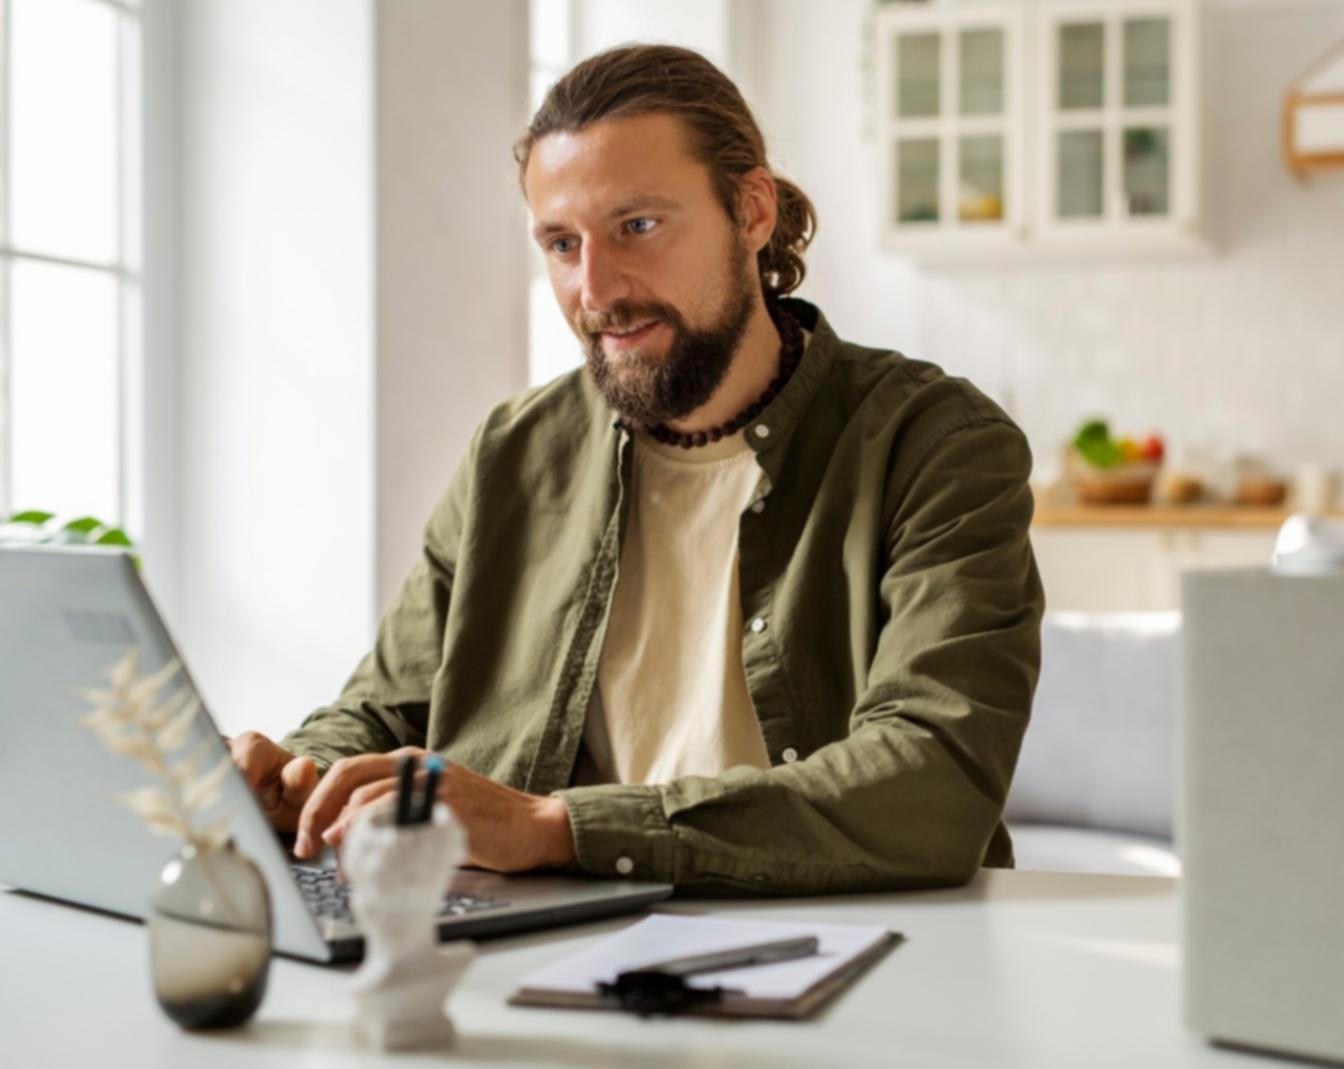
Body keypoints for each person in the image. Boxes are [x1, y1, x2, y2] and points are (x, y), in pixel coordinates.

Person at [229, 44, 1044, 894]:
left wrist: (556, 827)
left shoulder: (937, 443)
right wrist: (293, 775)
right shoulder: (513, 450)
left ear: (752, 210)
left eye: (638, 226)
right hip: (542, 942)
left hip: (854, 941)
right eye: (561, 242)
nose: (597, 288)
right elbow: (388, 707)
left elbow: (932, 779)